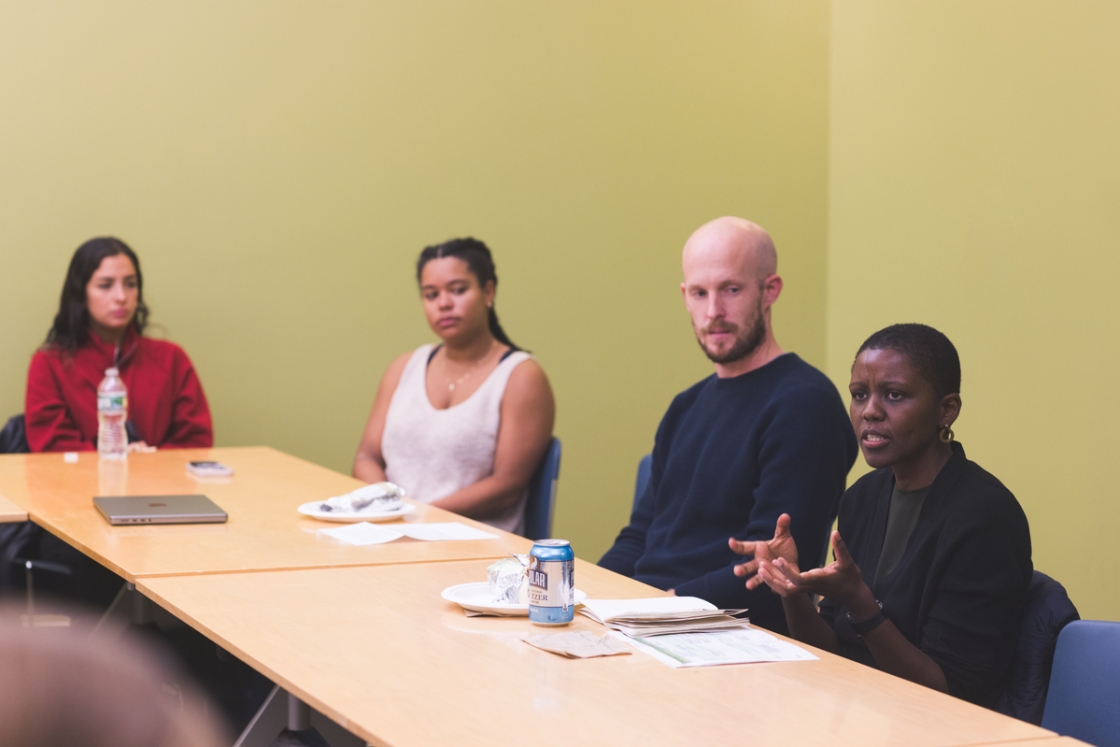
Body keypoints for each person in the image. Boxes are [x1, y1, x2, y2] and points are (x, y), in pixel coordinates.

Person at [732, 323, 1032, 706]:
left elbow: (948, 692)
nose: (870, 411)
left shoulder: (985, 516)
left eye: (894, 395)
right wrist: (791, 589)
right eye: (859, 395)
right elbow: (832, 653)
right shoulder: (862, 498)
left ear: (946, 410)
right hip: (858, 714)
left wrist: (860, 601)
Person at [598, 217, 857, 633]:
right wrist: (589, 596)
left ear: (770, 290)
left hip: (729, 634)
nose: (713, 312)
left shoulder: (806, 405)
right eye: (700, 293)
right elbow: (640, 536)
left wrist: (658, 608)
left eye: (731, 289)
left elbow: (771, 572)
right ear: (685, 296)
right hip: (649, 622)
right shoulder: (685, 406)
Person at [352, 238, 554, 535]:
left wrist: (419, 514)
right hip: (390, 533)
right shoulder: (404, 367)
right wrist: (389, 508)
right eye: (431, 295)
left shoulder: (521, 376)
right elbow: (366, 457)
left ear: (488, 291)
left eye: (458, 290)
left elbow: (506, 486)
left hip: (474, 546)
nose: (444, 303)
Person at [25, 237, 213, 453]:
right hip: (80, 485)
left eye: (130, 284)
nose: (121, 296)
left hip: (160, 484)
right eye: (105, 285)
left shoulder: (171, 358)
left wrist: (150, 463)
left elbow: (196, 441)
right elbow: (52, 447)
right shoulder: (49, 363)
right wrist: (112, 461)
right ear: (81, 294)